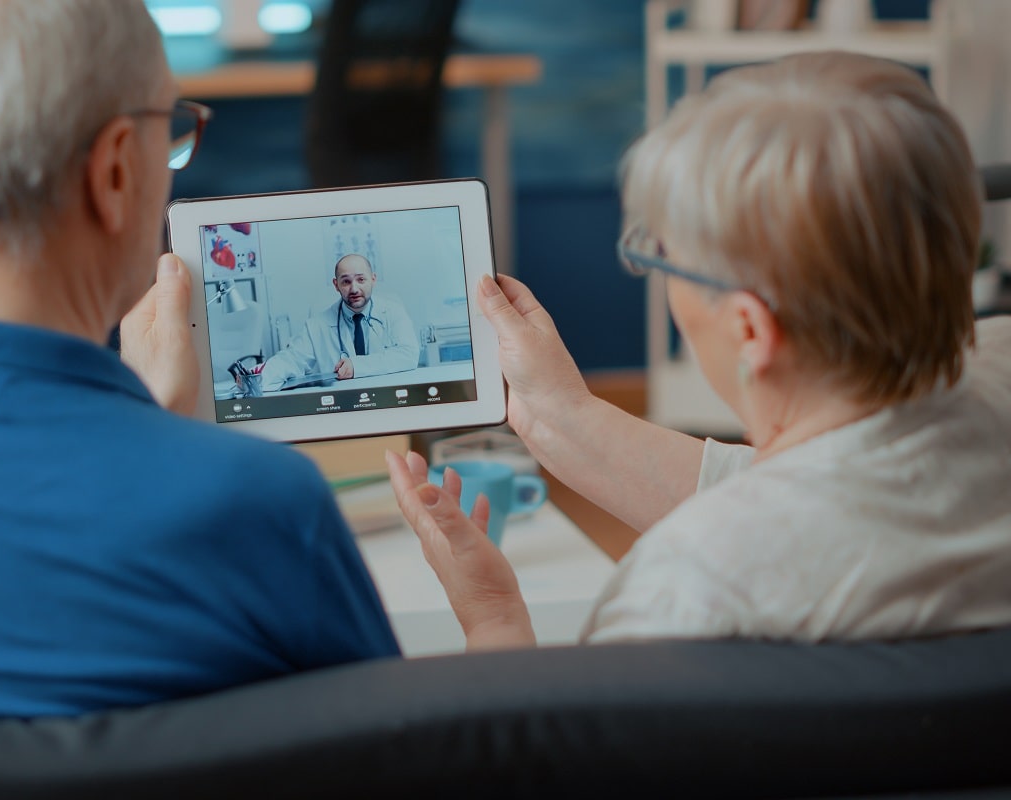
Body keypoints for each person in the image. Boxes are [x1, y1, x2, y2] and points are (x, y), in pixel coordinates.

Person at [0, 0, 399, 718]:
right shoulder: (265, 506)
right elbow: (397, 763)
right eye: (172, 130)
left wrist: (147, 420)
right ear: (117, 170)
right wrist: (494, 620)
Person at [386, 51, 1011, 651]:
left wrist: (491, 614)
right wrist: (558, 413)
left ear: (749, 331)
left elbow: (541, 757)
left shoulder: (686, 589)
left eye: (663, 254)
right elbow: (822, 483)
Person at [258, 253, 418, 391]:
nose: (354, 289)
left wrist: (356, 366)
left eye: (361, 279)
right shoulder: (316, 325)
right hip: (340, 407)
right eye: (346, 282)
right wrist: (255, 378)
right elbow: (291, 360)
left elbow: (409, 354)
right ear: (336, 285)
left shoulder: (394, 312)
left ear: (373, 279)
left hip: (388, 400)